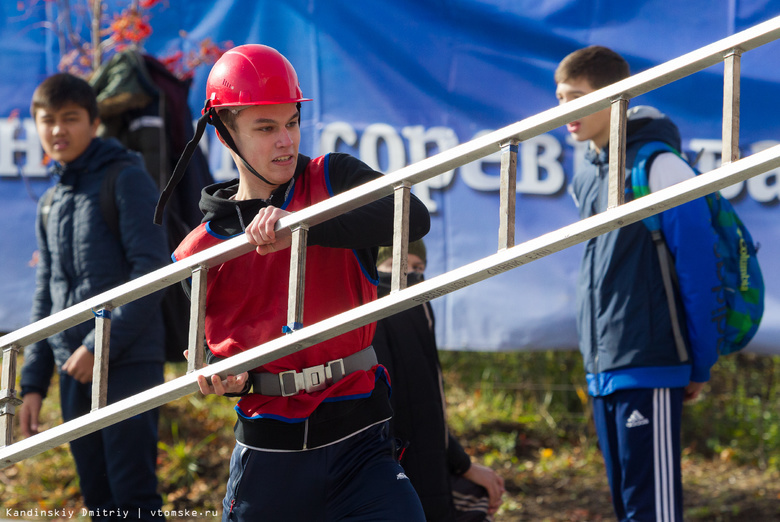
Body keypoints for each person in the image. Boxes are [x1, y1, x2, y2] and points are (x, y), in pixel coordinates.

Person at [168, 44, 431, 521]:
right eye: (265, 129)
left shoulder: (333, 176)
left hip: (363, 447)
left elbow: (413, 216)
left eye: (291, 123)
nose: (286, 141)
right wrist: (221, 379)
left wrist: (299, 228)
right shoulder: (198, 252)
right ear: (226, 134)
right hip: (271, 461)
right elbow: (220, 369)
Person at [555, 46, 721, 521]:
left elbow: (698, 268)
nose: (566, 111)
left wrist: (699, 361)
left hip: (651, 361)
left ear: (617, 99)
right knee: (628, 506)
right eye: (560, 98)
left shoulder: (659, 166)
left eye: (578, 98)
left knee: (654, 511)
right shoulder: (588, 168)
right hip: (604, 365)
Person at [18, 73, 169, 520]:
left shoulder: (125, 178)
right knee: (98, 500)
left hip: (126, 363)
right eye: (48, 120)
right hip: (73, 370)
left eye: (70, 118)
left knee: (133, 498)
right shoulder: (51, 200)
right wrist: (31, 385)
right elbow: (47, 296)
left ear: (94, 122)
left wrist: (96, 343)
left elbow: (153, 271)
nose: (58, 130)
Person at [372, 241, 505, 521]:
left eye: (417, 267)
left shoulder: (420, 308)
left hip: (422, 469)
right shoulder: (376, 313)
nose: (408, 276)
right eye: (396, 266)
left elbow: (427, 408)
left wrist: (462, 463)